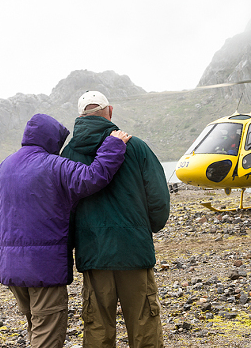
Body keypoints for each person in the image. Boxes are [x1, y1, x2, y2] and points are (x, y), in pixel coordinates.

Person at [0, 113, 131, 348]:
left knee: (35, 327)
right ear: (51, 140)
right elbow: (92, 177)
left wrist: (13, 243)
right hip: (44, 270)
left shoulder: (6, 166)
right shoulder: (54, 165)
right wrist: (113, 146)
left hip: (11, 268)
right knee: (47, 336)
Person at [61, 91, 170, 348]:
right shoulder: (135, 146)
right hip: (134, 249)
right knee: (144, 322)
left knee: (98, 325)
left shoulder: (68, 154)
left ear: (80, 116)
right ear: (109, 111)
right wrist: (149, 227)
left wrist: (73, 244)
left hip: (94, 252)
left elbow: (64, 207)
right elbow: (158, 197)